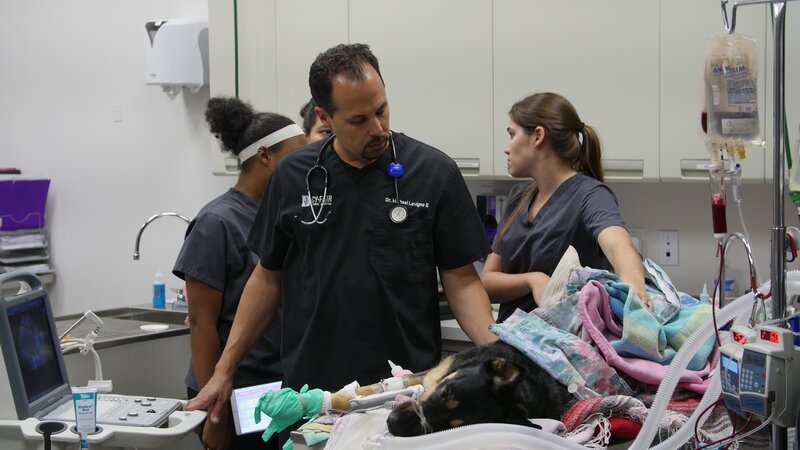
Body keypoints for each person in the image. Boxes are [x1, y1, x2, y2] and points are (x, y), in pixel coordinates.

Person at [187, 43, 497, 431]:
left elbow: (462, 279)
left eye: (382, 110)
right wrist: (223, 370)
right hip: (311, 396)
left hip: (404, 393)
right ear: (324, 116)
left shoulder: (434, 173)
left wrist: (498, 353)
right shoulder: (292, 176)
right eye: (359, 119)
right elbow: (267, 277)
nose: (378, 129)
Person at [173, 97, 307, 450]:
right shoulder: (217, 223)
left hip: (276, 383)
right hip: (234, 387)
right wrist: (212, 417)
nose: (305, 168)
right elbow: (202, 325)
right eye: (297, 156)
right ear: (265, 156)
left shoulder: (280, 215)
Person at [481, 92, 650, 323]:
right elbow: (488, 282)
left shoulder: (590, 195)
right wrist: (532, 280)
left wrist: (636, 292)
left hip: (562, 351)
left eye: (512, 134)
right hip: (510, 344)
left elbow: (618, 246)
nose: (507, 148)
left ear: (538, 136)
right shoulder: (517, 197)